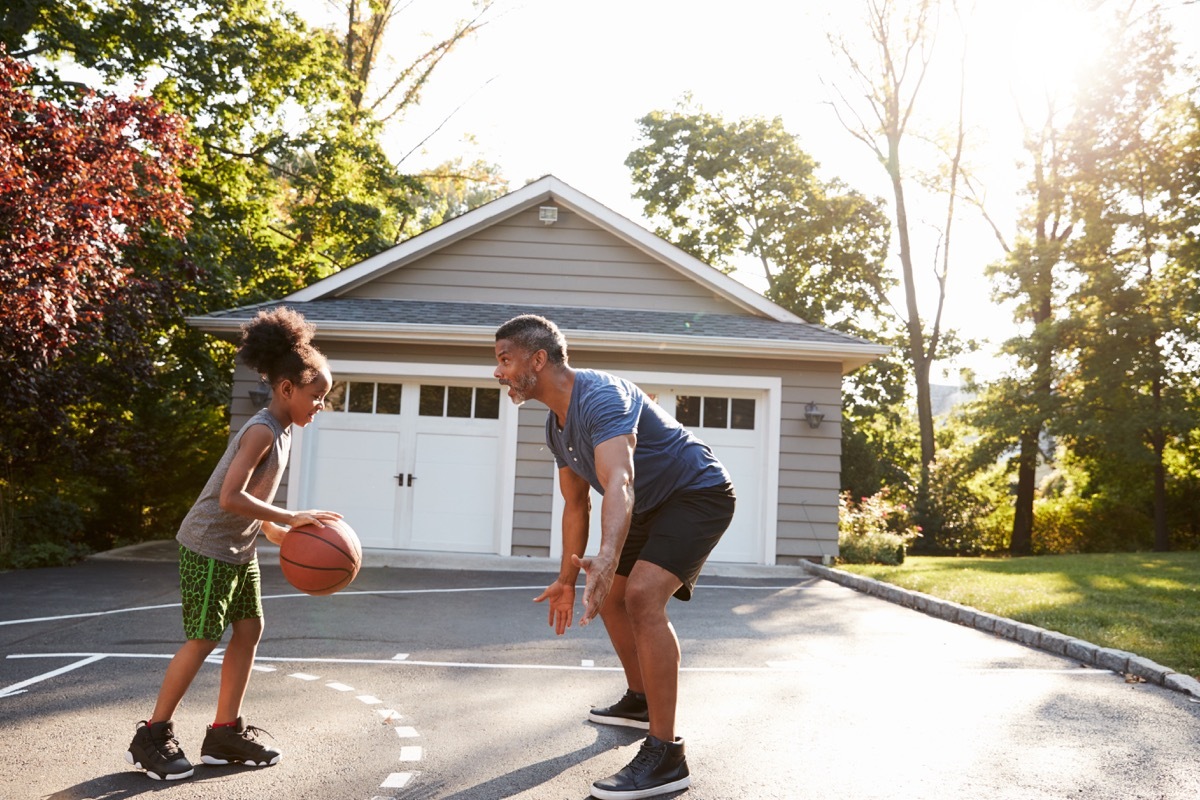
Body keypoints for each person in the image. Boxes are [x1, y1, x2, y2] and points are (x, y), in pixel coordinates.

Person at [493, 314, 736, 800]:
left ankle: (667, 754)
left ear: (537, 360)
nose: (497, 372)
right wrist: (567, 579)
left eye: (504, 359)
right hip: (647, 504)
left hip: (696, 492)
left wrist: (607, 554)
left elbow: (619, 480)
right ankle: (641, 700)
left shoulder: (602, 397)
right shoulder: (556, 427)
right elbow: (576, 504)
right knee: (608, 597)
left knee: (643, 597)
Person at [125, 307, 342, 781]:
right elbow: (229, 496)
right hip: (208, 545)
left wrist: (273, 530)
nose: (320, 405)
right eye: (316, 396)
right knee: (204, 637)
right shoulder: (262, 429)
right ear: (287, 388)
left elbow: (252, 498)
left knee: (249, 629)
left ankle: (224, 733)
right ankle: (151, 736)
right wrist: (289, 516)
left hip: (238, 549)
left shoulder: (283, 431)